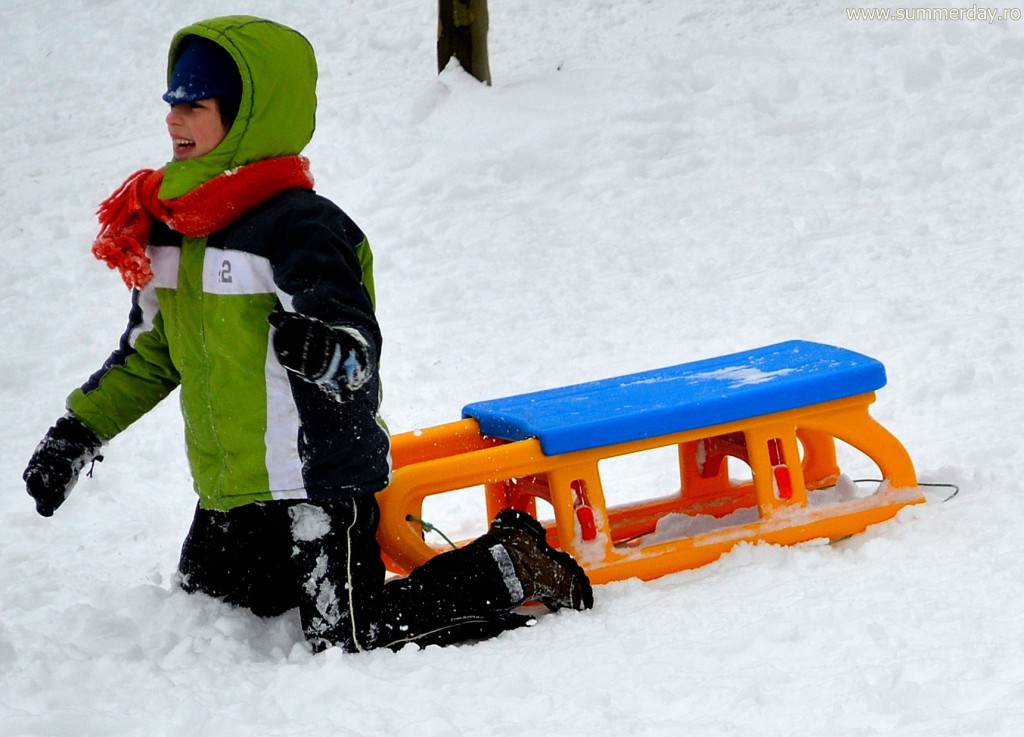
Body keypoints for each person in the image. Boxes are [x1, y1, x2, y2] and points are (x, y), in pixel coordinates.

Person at [21, 15, 592, 653]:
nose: (173, 118)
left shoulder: (300, 228)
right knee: (207, 618)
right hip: (231, 489)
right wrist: (78, 432)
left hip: (317, 482)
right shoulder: (171, 227)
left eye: (195, 105)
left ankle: (510, 564)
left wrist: (325, 352)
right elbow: (151, 355)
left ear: (248, 117)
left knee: (346, 637)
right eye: (172, 102)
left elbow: (355, 356)